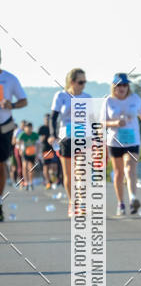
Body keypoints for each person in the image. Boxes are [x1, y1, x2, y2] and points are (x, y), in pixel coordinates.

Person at [104, 73, 141, 216]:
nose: (122, 88)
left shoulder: (135, 99)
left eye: (125, 85)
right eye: (119, 85)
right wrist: (114, 123)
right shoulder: (109, 101)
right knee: (119, 173)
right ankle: (121, 203)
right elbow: (101, 122)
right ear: (114, 86)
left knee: (130, 167)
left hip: (132, 140)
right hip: (115, 141)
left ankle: (133, 199)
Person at [50, 69, 90, 217]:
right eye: (81, 82)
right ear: (72, 82)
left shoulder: (87, 97)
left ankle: (82, 201)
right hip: (66, 138)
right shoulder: (61, 96)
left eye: (85, 82)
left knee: (81, 171)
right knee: (69, 175)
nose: (83, 85)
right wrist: (52, 135)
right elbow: (53, 117)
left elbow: (93, 120)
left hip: (83, 138)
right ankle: (73, 202)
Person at [0, 53, 27, 219]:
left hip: (4, 126)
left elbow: (24, 100)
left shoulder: (10, 79)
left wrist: (12, 104)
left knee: (1, 163)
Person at [38, 113, 60, 188]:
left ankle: (53, 179)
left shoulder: (54, 128)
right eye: (46, 119)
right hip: (45, 150)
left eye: (48, 119)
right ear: (44, 120)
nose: (47, 121)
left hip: (53, 149)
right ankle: (48, 182)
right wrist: (43, 138)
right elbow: (39, 140)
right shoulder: (42, 128)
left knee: (54, 166)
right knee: (46, 166)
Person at [18, 122, 39, 190]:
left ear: (32, 128)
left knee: (31, 168)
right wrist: (20, 150)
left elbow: (38, 144)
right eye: (27, 127)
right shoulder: (22, 134)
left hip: (32, 153)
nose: (28, 129)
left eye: (30, 127)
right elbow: (18, 143)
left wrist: (37, 154)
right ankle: (26, 182)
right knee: (24, 167)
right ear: (25, 128)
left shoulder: (35, 135)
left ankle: (31, 182)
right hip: (25, 153)